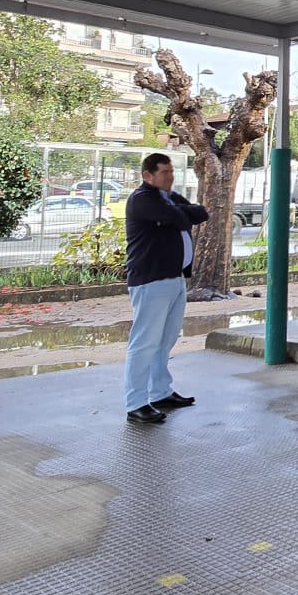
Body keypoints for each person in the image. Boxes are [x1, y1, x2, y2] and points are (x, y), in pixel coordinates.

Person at [122, 152, 209, 426]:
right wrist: (178, 215)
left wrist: (176, 214)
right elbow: (184, 218)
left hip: (174, 279)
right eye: (164, 173)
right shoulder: (142, 199)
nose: (170, 177)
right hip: (151, 280)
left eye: (171, 172)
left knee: (166, 339)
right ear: (148, 175)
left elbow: (200, 213)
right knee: (145, 342)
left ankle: (160, 392)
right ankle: (136, 403)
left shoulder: (167, 198)